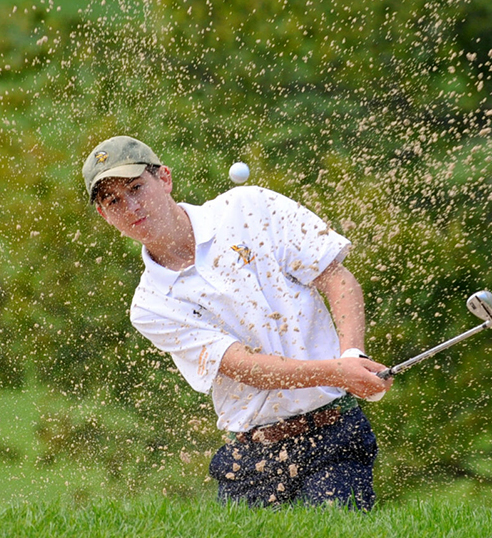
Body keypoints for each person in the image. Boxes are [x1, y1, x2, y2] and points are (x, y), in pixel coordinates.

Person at [82, 135, 394, 510]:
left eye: (136, 188)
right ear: (104, 215)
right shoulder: (150, 305)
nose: (131, 206)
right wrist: (337, 371)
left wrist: (352, 354)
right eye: (113, 201)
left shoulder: (249, 207)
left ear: (164, 178)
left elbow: (335, 278)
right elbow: (246, 368)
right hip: (251, 457)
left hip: (333, 435)